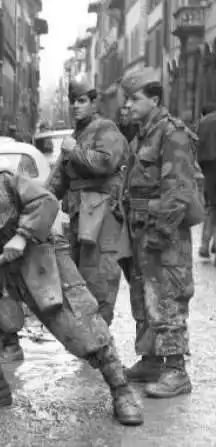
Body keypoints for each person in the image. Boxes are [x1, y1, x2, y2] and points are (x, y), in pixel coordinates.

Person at [0, 137, 143, 426]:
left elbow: (45, 201)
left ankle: (121, 390)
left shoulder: (4, 183)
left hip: (39, 252)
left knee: (79, 326)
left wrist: (22, 235)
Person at [120, 68, 201, 398]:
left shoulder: (172, 134)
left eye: (134, 98)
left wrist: (160, 232)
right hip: (140, 230)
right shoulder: (142, 135)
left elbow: (179, 189)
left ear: (154, 99)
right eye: (126, 98)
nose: (127, 104)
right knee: (143, 297)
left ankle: (175, 369)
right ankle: (152, 359)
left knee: (167, 296)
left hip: (163, 234)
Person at [45, 78, 129, 326]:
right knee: (79, 284)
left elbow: (106, 163)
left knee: (99, 283)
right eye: (72, 101)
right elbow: (57, 183)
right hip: (79, 221)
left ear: (94, 103)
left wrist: (74, 151)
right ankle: (89, 345)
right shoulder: (75, 135)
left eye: (81, 101)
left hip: (103, 220)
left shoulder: (106, 129)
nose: (75, 106)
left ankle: (102, 346)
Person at [196, 104, 216, 259]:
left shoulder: (204, 122)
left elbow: (197, 144)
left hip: (209, 168)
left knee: (210, 206)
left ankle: (204, 244)